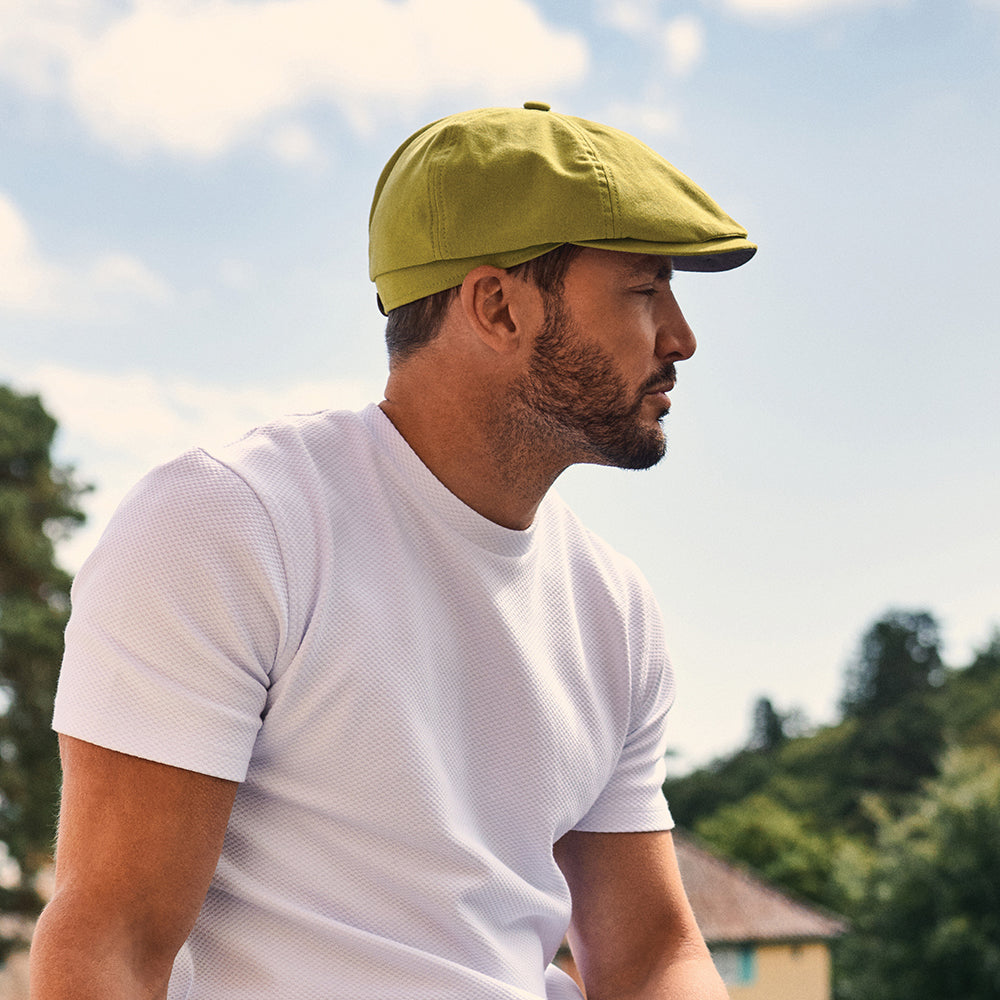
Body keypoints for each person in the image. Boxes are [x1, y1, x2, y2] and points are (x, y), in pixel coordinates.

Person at [30, 102, 756, 999]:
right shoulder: (233, 524)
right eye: (645, 291)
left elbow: (651, 956)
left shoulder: (613, 605)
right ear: (498, 307)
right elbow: (111, 944)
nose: (682, 337)